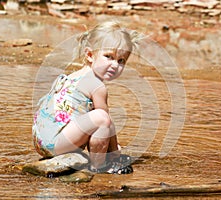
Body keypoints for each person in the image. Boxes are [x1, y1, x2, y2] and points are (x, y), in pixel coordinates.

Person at [32, 21, 140, 174]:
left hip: (41, 141)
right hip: (56, 142)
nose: (115, 65)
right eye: (109, 57)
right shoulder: (96, 85)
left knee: (99, 118)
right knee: (102, 117)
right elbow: (105, 122)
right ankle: (99, 166)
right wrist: (114, 152)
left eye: (121, 61)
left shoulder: (72, 77)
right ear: (90, 55)